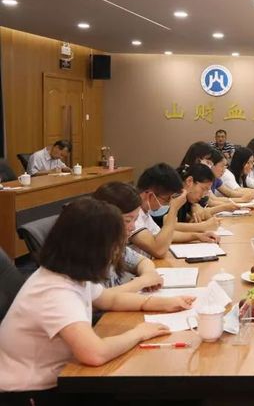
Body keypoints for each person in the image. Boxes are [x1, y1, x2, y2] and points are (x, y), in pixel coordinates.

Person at [0, 198, 194, 400]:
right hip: (29, 392)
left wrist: (160, 303)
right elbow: (95, 354)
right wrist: (139, 333)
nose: (116, 253)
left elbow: (109, 299)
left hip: (63, 376)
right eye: (115, 246)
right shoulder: (55, 291)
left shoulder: (70, 272)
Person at [130, 163, 218, 259]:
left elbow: (163, 235)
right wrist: (174, 209)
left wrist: (197, 236)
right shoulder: (131, 214)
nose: (168, 203)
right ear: (150, 196)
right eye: (167, 199)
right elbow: (159, 251)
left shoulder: (144, 212)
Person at [92, 182, 164, 293]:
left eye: (135, 220)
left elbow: (142, 261)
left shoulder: (114, 245)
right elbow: (100, 298)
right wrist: (141, 282)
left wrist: (148, 274)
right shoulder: (88, 251)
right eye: (127, 220)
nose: (133, 227)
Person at [174, 163, 238, 230]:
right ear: (189, 181)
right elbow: (169, 226)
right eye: (203, 189)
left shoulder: (188, 199)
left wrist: (195, 206)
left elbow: (203, 214)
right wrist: (202, 226)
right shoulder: (172, 196)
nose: (203, 195)